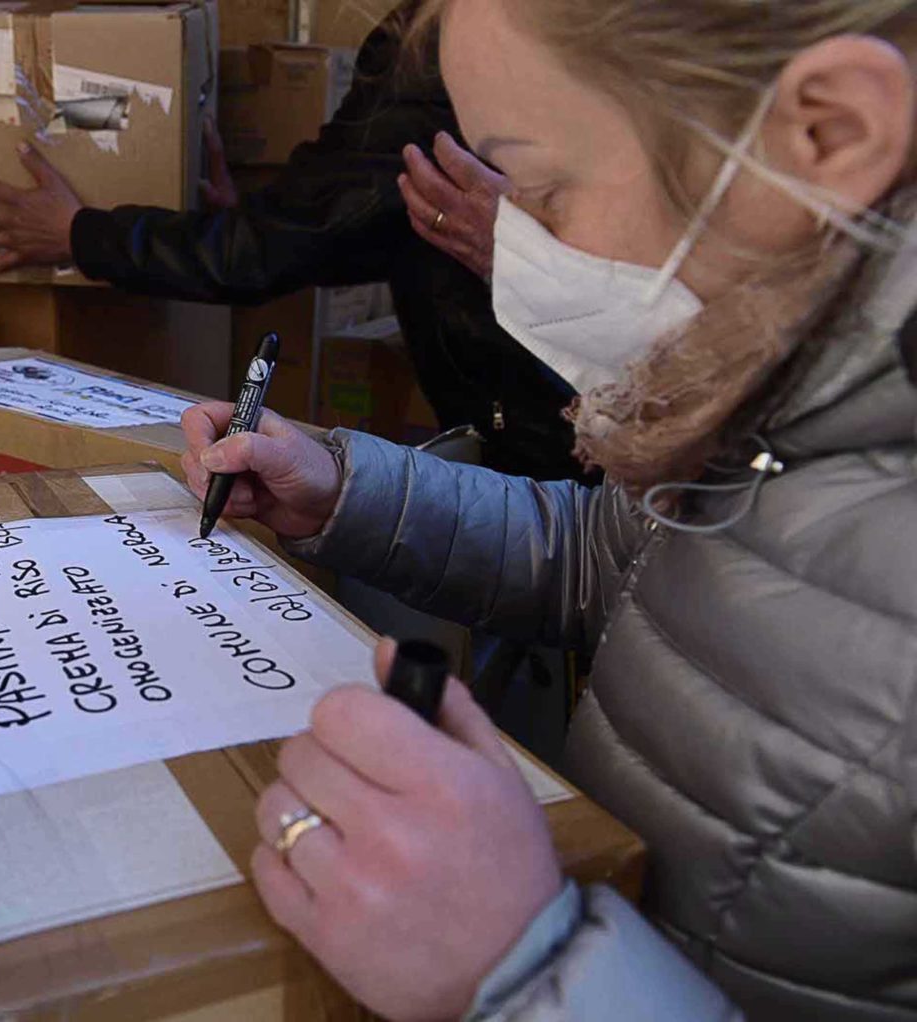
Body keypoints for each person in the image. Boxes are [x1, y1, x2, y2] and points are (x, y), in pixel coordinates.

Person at [175, 0, 917, 1019]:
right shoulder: (776, 379)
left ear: (830, 132)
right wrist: (347, 488)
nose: (507, 235)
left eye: (537, 188)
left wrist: (528, 969)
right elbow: (608, 559)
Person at [0, 3, 594, 483]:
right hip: (566, 421)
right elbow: (379, 216)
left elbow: (276, 248)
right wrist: (260, 218)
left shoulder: (454, 38)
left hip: (554, 436)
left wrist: (80, 233)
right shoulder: (504, 33)